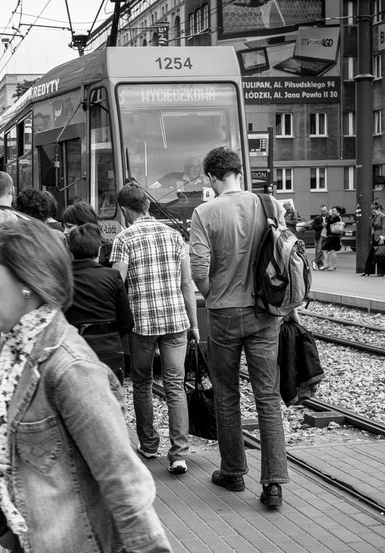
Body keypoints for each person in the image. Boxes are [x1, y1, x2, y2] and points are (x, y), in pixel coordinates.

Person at [0, 218, 174, 553]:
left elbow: (123, 475)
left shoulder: (69, 367)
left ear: (26, 281)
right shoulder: (16, 347)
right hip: (34, 547)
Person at [188, 147, 290, 510]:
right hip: (265, 311)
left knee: (227, 394)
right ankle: (274, 484)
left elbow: (198, 266)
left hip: (224, 314)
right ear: (238, 172)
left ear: (212, 177)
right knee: (267, 396)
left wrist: (210, 294)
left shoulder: (205, 212)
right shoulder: (269, 204)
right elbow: (285, 252)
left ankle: (233, 471)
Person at [110, 183, 197, 475]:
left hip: (143, 324)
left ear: (124, 210)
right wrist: (193, 323)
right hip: (175, 322)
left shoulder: (124, 238)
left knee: (143, 383)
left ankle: (148, 445)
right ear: (146, 204)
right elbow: (187, 284)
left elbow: (117, 283)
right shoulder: (175, 236)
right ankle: (179, 454)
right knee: (175, 384)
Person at [64, 222, 134, 382]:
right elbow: (127, 322)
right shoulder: (112, 276)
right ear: (99, 249)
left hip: (73, 354)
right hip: (110, 353)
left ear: (70, 250)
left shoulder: (61, 277)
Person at [62, 201, 112, 265]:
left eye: (69, 227)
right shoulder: (64, 251)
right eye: (64, 227)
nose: (65, 232)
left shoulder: (107, 253)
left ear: (84, 225)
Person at [322, 206, 343, 271]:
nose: (332, 212)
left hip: (333, 236)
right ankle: (330, 265)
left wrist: (326, 222)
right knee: (330, 250)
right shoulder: (333, 217)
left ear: (337, 212)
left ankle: (329, 265)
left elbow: (329, 223)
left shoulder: (337, 217)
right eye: (332, 210)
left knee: (328, 250)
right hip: (332, 236)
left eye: (334, 210)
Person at [311, 204, 329, 270]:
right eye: (322, 211)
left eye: (325, 210)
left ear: (327, 210)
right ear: (320, 211)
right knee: (319, 251)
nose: (324, 212)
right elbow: (314, 227)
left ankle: (315, 261)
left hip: (327, 236)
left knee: (323, 251)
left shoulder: (329, 218)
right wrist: (321, 225)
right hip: (319, 236)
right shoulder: (317, 218)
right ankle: (319, 264)